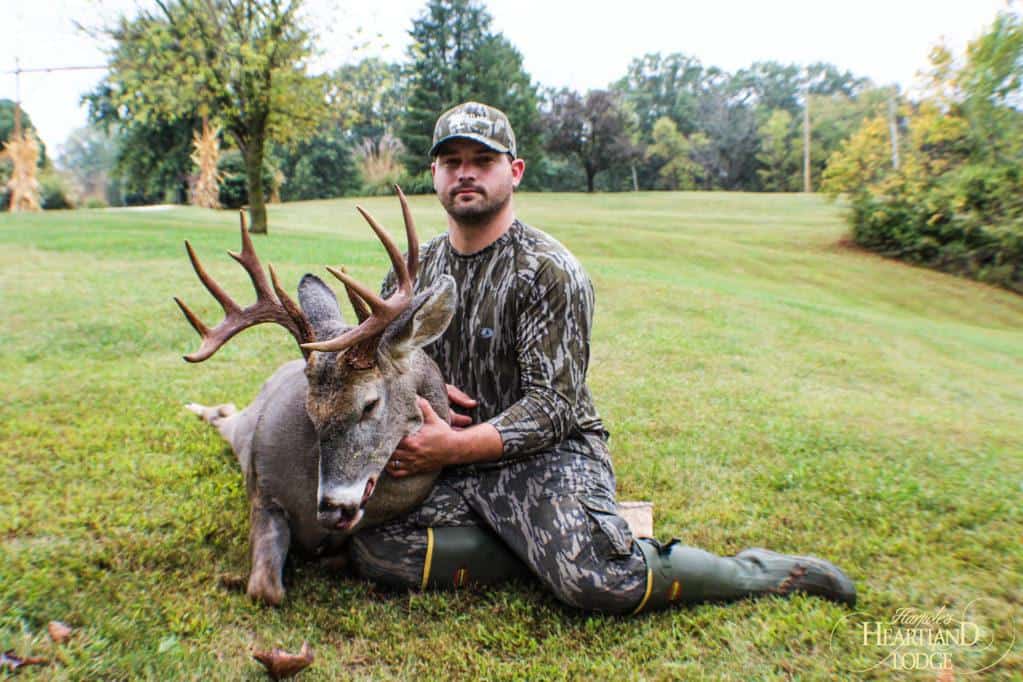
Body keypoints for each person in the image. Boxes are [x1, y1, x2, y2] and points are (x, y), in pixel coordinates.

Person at [348, 101, 856, 614]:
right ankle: (553, 542)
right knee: (375, 547)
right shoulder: (414, 274)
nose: (466, 173)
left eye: (483, 159)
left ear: (515, 171)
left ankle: (752, 571)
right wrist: (416, 393)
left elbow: (552, 408)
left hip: (547, 456)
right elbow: (387, 366)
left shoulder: (548, 271)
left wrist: (451, 448)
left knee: (597, 582)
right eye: (452, 161)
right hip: (447, 461)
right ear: (434, 173)